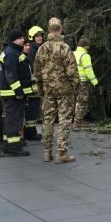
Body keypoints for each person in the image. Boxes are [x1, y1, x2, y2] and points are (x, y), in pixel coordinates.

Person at [34, 17, 80, 163]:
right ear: (61, 29)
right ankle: (61, 153)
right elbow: (72, 71)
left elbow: (37, 71)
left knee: (47, 119)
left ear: (48, 30)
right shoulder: (64, 48)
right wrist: (77, 88)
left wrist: (41, 88)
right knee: (64, 120)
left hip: (48, 90)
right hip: (65, 91)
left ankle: (47, 152)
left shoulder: (42, 48)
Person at [0, 30, 31, 156]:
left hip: (11, 93)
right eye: (20, 38)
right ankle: (13, 147)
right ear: (13, 40)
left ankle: (9, 143)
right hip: (13, 94)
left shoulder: (13, 51)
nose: (23, 40)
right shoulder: (12, 53)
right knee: (14, 119)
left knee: (11, 118)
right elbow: (11, 74)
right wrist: (18, 91)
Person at [23, 25, 45, 142]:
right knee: (32, 109)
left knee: (34, 109)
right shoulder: (32, 50)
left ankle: (31, 132)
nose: (39, 37)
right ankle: (30, 134)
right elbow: (34, 67)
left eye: (40, 35)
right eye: (37, 36)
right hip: (32, 86)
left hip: (37, 85)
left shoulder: (39, 48)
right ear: (32, 37)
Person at [73, 38, 98, 125]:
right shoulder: (85, 56)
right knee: (82, 101)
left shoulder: (73, 53)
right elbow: (88, 71)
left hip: (72, 81)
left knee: (74, 101)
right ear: (86, 46)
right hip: (82, 82)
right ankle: (78, 121)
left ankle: (72, 120)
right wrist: (95, 82)